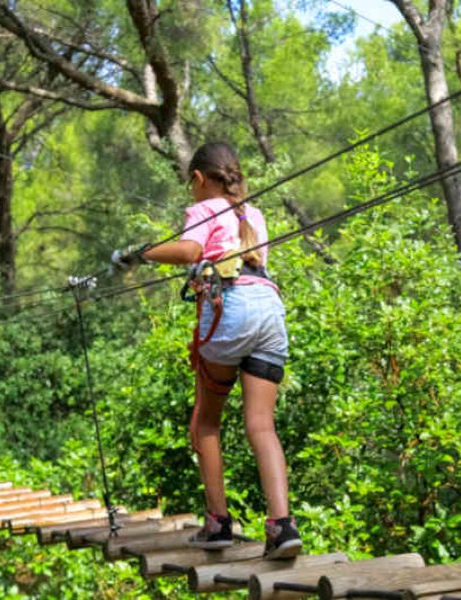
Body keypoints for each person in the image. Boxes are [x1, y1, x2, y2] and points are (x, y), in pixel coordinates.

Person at [111, 142, 302, 559]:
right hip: (270, 310)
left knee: (206, 424)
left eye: (190, 186)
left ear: (198, 179)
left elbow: (190, 251)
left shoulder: (204, 210)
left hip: (230, 311)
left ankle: (218, 522)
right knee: (262, 426)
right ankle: (283, 526)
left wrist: (140, 254)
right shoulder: (253, 214)